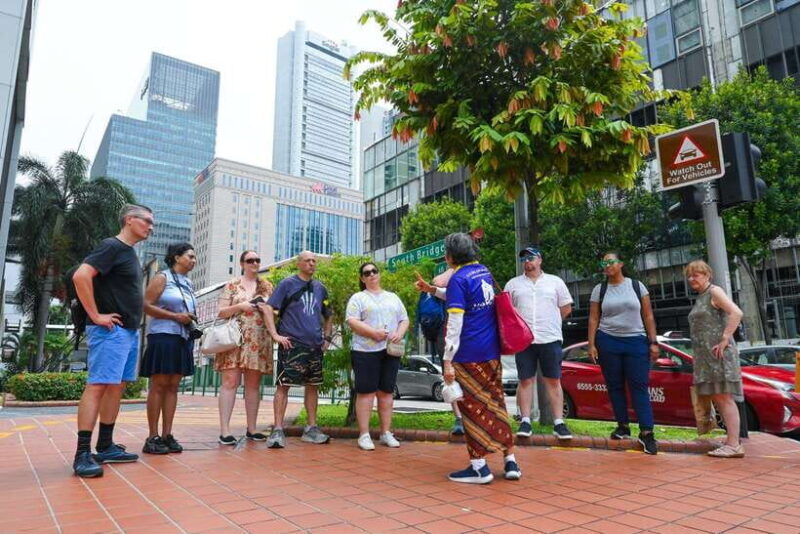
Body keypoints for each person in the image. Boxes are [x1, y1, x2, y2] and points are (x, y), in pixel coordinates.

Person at [71, 204, 153, 478]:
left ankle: (105, 445)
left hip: (128, 331)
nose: (151, 227)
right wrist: (96, 315)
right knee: (97, 386)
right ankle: (82, 453)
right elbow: (81, 276)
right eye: (147, 221)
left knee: (116, 387)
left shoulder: (129, 252)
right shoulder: (112, 246)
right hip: (110, 331)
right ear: (129, 220)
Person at [440, 232, 520, 484]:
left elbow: (455, 321)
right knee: (496, 404)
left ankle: (479, 468)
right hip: (491, 351)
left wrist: (447, 360)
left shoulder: (458, 278)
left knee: (472, 409)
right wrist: (434, 290)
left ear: (450, 256)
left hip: (468, 354)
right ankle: (510, 460)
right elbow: (470, 298)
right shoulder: (482, 271)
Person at [587, 251, 660, 455]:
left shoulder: (636, 286)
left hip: (636, 341)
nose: (607, 265)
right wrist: (591, 344)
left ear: (621, 264)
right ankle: (623, 426)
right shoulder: (599, 289)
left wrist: (653, 342)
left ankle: (647, 432)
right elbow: (593, 318)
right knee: (615, 386)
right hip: (608, 341)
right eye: (604, 263)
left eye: (611, 262)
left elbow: (648, 315)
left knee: (639, 386)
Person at [264, 250, 333, 448]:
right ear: (299, 263)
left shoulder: (321, 288)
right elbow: (268, 308)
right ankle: (278, 430)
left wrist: (327, 337)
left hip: (315, 346)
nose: (311, 263)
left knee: (313, 386)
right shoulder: (287, 284)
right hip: (292, 344)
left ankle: (311, 429)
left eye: (314, 261)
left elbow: (329, 313)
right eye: (307, 260)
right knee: (283, 386)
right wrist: (275, 335)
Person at [505, 246, 573, 439]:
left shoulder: (555, 282)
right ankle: (525, 421)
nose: (527, 261)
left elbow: (566, 308)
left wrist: (551, 321)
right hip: (524, 340)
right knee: (525, 380)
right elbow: (507, 311)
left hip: (549, 337)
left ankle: (559, 422)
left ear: (540, 260)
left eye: (531, 257)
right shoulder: (513, 284)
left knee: (553, 380)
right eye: (524, 259)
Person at [140, 243, 198, 454]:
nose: (193, 260)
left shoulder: (188, 282)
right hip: (163, 335)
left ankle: (167, 435)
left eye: (194, 257)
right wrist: (175, 316)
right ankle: (152, 436)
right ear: (176, 257)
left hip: (183, 337)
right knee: (159, 384)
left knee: (173, 385)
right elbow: (146, 305)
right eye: (190, 256)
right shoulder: (162, 277)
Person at [685, 260, 745, 458]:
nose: (691, 279)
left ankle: (734, 444)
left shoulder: (714, 291)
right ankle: (732, 441)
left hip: (719, 357)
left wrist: (725, 338)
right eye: (689, 276)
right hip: (708, 358)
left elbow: (736, 312)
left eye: (696, 275)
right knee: (720, 399)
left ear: (707, 275)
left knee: (724, 399)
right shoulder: (702, 296)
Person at [345, 262, 409, 450]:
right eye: (367, 273)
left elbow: (404, 319)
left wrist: (399, 333)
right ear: (362, 278)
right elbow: (352, 321)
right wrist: (373, 333)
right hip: (365, 351)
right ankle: (364, 435)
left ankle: (386, 432)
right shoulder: (358, 298)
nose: (372, 274)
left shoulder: (392, 297)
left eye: (374, 271)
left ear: (379, 274)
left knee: (386, 392)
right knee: (366, 392)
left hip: (390, 350)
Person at [214, 250, 274, 445]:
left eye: (257, 260)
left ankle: (252, 429)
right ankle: (225, 431)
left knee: (253, 385)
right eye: (250, 260)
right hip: (234, 339)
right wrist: (241, 306)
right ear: (242, 264)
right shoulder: (232, 285)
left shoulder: (267, 286)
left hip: (258, 339)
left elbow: (274, 311)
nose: (254, 263)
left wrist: (266, 308)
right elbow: (221, 312)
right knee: (230, 382)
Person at [414, 267, 465, 435]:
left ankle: (462, 418)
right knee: (451, 377)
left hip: (449, 337)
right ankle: (459, 418)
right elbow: (439, 281)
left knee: (457, 378)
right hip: (446, 335)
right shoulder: (449, 279)